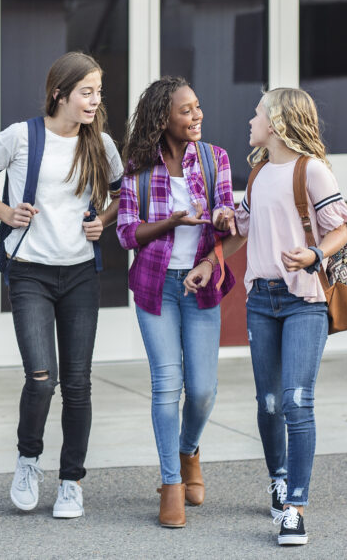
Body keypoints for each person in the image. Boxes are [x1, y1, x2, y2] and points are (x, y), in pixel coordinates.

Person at [0, 52, 123, 519]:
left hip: (79, 275)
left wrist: (102, 223)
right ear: (60, 93)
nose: (95, 100)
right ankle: (28, 459)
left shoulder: (101, 145)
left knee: (77, 384)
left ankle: (71, 480)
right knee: (41, 379)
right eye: (86, 92)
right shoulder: (20, 137)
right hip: (29, 270)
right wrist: (6, 212)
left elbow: (120, 195)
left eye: (98, 91)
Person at [186, 87, 347, 546]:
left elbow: (342, 227)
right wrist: (212, 254)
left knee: (297, 401)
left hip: (304, 301)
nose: (250, 120)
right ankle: (278, 478)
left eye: (258, 113)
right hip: (262, 301)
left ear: (277, 124)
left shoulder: (311, 170)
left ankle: (295, 507)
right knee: (269, 403)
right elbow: (242, 227)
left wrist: (314, 254)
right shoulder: (258, 174)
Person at [116, 76, 237, 528]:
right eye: (186, 110)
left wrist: (223, 216)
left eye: (197, 107)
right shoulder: (138, 168)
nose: (196, 115)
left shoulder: (214, 158)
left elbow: (226, 214)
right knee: (167, 384)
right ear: (162, 118)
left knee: (202, 390)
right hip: (156, 286)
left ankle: (189, 452)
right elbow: (127, 232)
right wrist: (170, 222)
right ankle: (171, 485)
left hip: (201, 284)